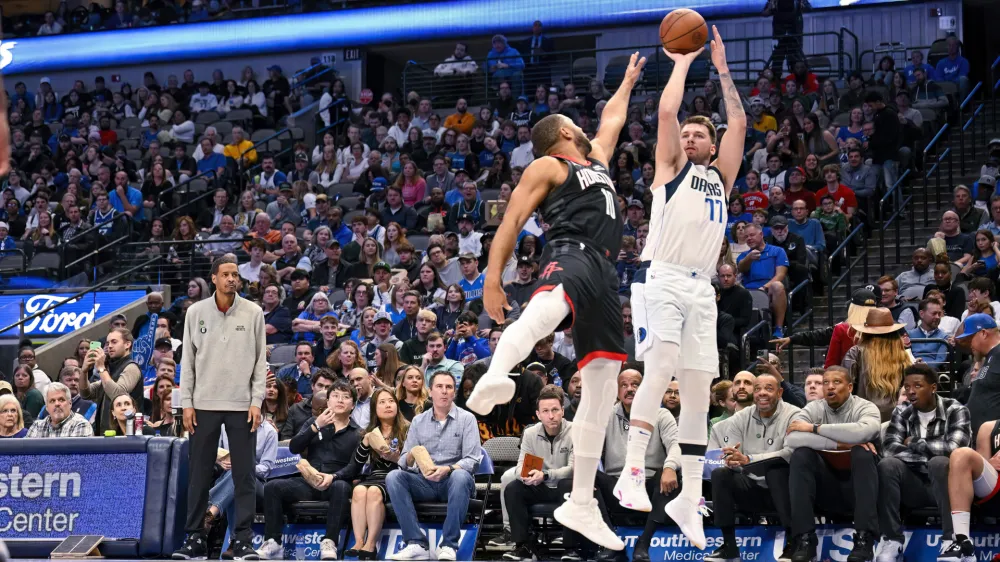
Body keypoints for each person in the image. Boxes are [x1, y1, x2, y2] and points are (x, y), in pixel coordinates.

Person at [464, 51, 648, 551]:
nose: (587, 128)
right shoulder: (549, 164)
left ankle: (582, 501)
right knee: (548, 308)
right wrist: (493, 279)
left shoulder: (598, 160)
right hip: (571, 249)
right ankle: (496, 374)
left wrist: (628, 81)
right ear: (565, 131)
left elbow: (612, 120)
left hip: (606, 272)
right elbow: (511, 220)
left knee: (602, 387)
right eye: (577, 125)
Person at [612, 27, 745, 550]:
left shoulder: (722, 178)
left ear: (712, 145)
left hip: (701, 287)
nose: (689, 139)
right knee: (661, 365)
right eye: (686, 135)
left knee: (696, 389)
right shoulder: (669, 170)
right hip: (661, 276)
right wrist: (684, 61)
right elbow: (667, 113)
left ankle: (690, 497)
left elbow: (738, 122)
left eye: (698, 135)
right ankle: (631, 472)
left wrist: (724, 69)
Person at [173, 256, 267, 561]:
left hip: (242, 405)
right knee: (199, 475)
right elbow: (187, 362)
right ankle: (195, 538)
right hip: (203, 404)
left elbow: (260, 362)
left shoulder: (253, 312)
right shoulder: (195, 312)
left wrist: (256, 401)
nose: (231, 279)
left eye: (235, 274)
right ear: (213, 278)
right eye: (225, 274)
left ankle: (242, 540)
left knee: (244, 475)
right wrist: (187, 403)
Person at [784, 366, 882, 562]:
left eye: (836, 382)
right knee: (801, 455)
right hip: (825, 485)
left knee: (861, 452)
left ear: (850, 387)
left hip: (862, 487)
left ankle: (864, 539)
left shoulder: (865, 407)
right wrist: (841, 443)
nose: (830, 387)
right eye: (826, 382)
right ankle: (805, 538)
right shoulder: (813, 408)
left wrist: (814, 428)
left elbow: (864, 432)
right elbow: (791, 439)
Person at [876, 363, 970, 562]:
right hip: (915, 485)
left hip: (949, 487)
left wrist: (915, 443)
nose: (911, 391)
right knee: (888, 465)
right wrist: (928, 455)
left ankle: (951, 539)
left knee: (940, 463)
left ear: (933, 387)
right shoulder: (901, 411)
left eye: (917, 386)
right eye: (907, 387)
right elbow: (889, 448)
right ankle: (892, 540)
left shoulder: (955, 409)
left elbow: (955, 449)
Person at [258, 380, 361, 561]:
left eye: (346, 397)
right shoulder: (314, 422)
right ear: (328, 401)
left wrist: (333, 476)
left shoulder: (358, 433)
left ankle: (330, 541)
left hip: (335, 482)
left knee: (342, 487)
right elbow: (294, 447)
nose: (340, 400)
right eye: (335, 396)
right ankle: (273, 542)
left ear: (352, 405)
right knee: (272, 487)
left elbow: (355, 467)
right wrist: (316, 427)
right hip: (308, 482)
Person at [387, 372, 483, 561]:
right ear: (430, 392)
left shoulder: (467, 419)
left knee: (460, 476)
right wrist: (412, 455)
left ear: (454, 392)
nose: (444, 391)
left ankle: (449, 545)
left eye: (449, 387)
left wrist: (448, 469)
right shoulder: (418, 421)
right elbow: (403, 461)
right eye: (439, 386)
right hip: (424, 482)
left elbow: (473, 460)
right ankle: (416, 543)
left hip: (453, 482)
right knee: (393, 477)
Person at [705, 373, 800, 562]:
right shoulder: (740, 417)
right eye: (757, 389)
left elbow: (790, 453)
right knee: (721, 474)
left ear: (780, 392)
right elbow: (732, 452)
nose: (762, 393)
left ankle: (793, 542)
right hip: (751, 486)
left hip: (786, 488)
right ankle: (729, 545)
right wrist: (732, 460)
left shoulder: (794, 415)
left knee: (775, 470)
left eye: (768, 388)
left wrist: (749, 459)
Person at [503, 386, 588, 561]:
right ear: (538, 414)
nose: (551, 416)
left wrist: (546, 474)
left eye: (555, 410)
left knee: (568, 484)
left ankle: (571, 549)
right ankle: (523, 546)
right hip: (541, 486)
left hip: (565, 488)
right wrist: (526, 476)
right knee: (513, 488)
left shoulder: (576, 431)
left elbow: (574, 469)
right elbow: (520, 468)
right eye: (546, 411)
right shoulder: (530, 434)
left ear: (562, 411)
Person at [345, 388, 408, 559]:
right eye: (382, 402)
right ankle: (359, 541)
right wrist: (365, 442)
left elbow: (411, 463)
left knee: (373, 491)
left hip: (397, 476)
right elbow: (356, 465)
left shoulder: (408, 429)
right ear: (375, 408)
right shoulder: (370, 432)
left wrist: (396, 458)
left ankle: (371, 544)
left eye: (391, 401)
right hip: (374, 476)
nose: (388, 405)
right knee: (359, 490)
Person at [80, 328, 142, 434]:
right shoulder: (110, 370)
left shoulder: (132, 367)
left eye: (114, 342)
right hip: (105, 433)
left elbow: (117, 394)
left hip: (126, 434)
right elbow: (86, 393)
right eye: (108, 343)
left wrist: (101, 367)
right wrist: (84, 371)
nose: (109, 346)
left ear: (127, 345)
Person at [26, 383, 94, 437]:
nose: (57, 404)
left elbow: (74, 451)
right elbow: (28, 450)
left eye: (61, 400)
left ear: (70, 403)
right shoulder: (37, 426)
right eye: (52, 401)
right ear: (46, 407)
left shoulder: (81, 425)